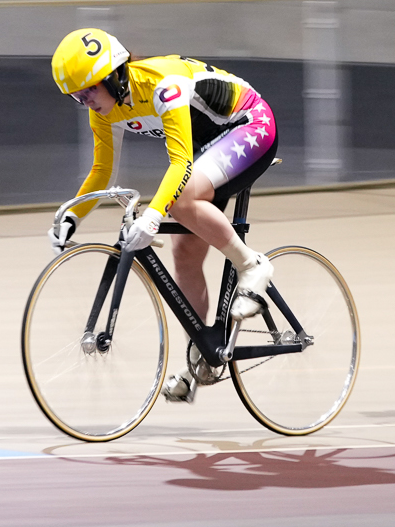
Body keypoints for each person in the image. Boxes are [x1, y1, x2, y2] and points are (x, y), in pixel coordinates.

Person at [49, 29, 279, 404]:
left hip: (250, 126)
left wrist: (153, 215)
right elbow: (102, 170)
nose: (85, 101)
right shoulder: (105, 111)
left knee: (179, 202)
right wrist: (72, 216)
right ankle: (201, 357)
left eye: (89, 90)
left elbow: (181, 163)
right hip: (213, 145)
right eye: (77, 96)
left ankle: (253, 266)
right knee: (184, 254)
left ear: (113, 76)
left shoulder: (163, 86)